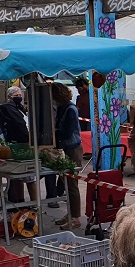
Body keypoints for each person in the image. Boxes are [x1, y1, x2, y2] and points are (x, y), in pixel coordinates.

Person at [51, 83, 84, 229]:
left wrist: (54, 134)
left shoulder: (71, 109)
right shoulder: (61, 107)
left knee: (72, 184)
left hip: (72, 149)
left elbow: (68, 131)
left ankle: (75, 217)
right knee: (65, 182)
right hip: (65, 148)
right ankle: (70, 213)